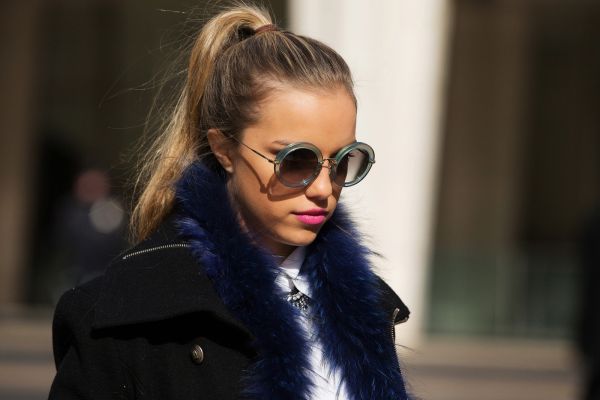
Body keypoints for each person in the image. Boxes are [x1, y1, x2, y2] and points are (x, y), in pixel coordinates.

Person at [48, 4, 411, 399]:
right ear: (223, 149)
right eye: (295, 160)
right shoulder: (123, 315)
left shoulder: (368, 310)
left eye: (343, 162)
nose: (324, 188)